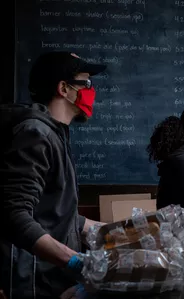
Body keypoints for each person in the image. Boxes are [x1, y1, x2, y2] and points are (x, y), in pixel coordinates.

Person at [0, 51, 106, 298]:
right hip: (34, 284)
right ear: (64, 88)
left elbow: (54, 214)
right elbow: (14, 215)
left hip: (54, 279)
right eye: (86, 83)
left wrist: (117, 231)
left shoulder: (55, 134)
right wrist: (74, 260)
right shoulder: (35, 134)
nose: (92, 91)